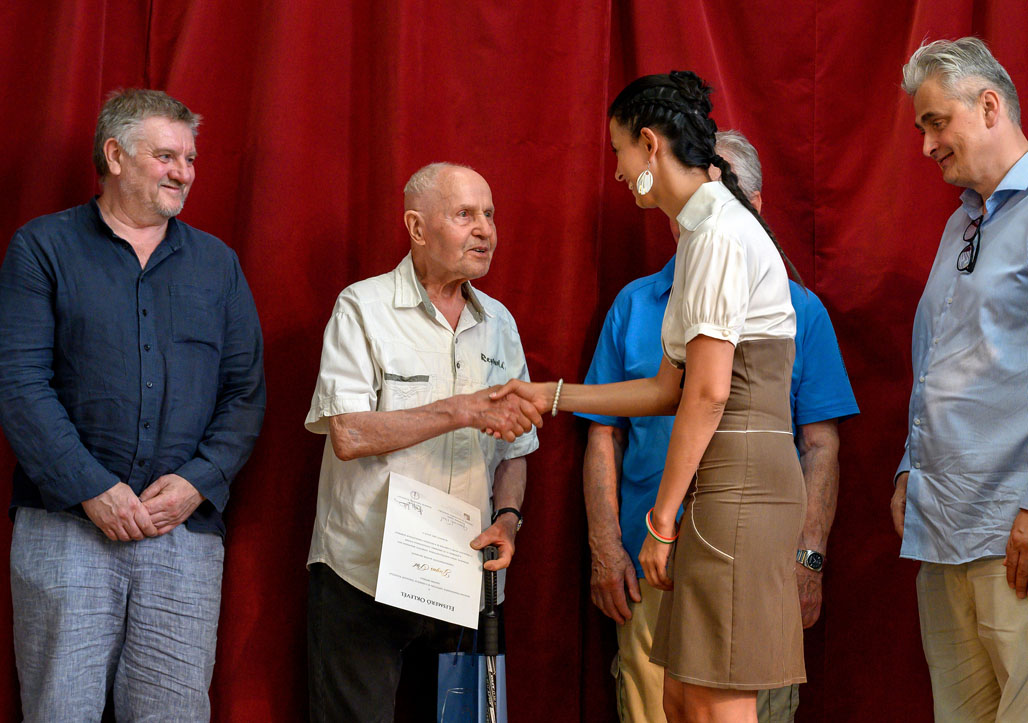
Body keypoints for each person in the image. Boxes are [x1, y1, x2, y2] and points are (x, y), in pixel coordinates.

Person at [492, 71, 806, 723]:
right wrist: (551, 395)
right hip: (720, 487)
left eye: (618, 152)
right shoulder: (698, 234)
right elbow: (669, 388)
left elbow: (709, 393)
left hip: (742, 487)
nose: (615, 170)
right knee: (679, 697)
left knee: (715, 702)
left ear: (650, 145)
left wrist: (660, 522)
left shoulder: (718, 233)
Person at [0, 89, 266, 720]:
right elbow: (19, 382)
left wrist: (198, 482)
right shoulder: (42, 248)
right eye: (166, 156)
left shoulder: (218, 265)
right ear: (115, 155)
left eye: (190, 159)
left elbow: (245, 393)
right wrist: (91, 487)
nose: (184, 173)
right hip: (66, 527)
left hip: (183, 535)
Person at [579, 129, 858, 723]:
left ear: (753, 206)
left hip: (743, 545)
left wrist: (807, 559)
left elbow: (818, 444)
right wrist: (609, 548)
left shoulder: (797, 309)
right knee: (669, 704)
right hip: (650, 563)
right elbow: (608, 428)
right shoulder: (638, 303)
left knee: (732, 706)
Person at [304, 162, 541, 722]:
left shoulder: (501, 324)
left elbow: (516, 450)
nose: (485, 230)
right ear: (416, 227)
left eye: (489, 215)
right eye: (464, 215)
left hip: (465, 571)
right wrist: (461, 410)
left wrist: (508, 519)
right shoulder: (362, 307)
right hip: (363, 571)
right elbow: (348, 432)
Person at [892, 37, 1028, 722]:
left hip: (1014, 538)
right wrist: (908, 467)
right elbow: (942, 359)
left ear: (989, 106)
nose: (926, 145)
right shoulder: (960, 224)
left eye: (936, 122)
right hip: (943, 531)